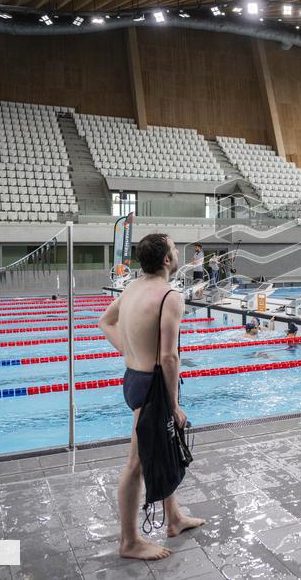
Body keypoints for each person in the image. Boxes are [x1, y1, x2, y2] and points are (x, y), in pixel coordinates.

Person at [98, 233, 204, 561]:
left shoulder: (131, 288)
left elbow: (105, 321)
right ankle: (129, 541)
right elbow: (170, 357)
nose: (177, 251)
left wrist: (129, 351)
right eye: (175, 248)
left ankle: (173, 518)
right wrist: (174, 406)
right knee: (136, 464)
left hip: (134, 377)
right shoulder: (169, 297)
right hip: (154, 386)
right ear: (167, 260)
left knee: (165, 447)